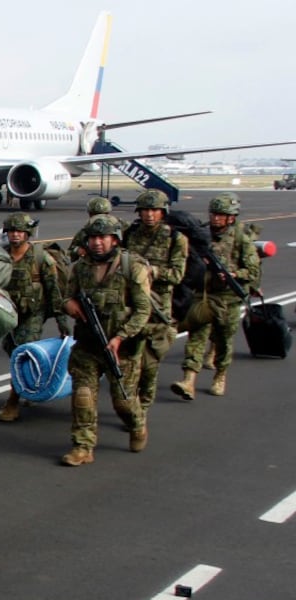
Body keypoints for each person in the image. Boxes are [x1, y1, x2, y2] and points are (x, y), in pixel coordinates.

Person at [60, 214, 153, 466]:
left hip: (121, 349)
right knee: (83, 396)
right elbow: (66, 296)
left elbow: (144, 309)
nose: (97, 243)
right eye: (93, 238)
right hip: (89, 345)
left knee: (123, 401)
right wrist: (69, 304)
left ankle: (137, 424)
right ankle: (83, 446)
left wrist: (121, 337)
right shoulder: (80, 268)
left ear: (115, 239)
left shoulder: (132, 266)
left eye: (103, 237)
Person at [171, 192, 261, 399]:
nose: (216, 218)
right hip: (202, 296)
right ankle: (189, 380)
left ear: (231, 217)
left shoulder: (241, 238)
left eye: (221, 215)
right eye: (214, 214)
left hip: (227, 300)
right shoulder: (200, 235)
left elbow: (252, 271)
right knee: (196, 336)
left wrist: (234, 274)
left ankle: (220, 375)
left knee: (223, 340)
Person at [0, 212, 70, 421]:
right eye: (11, 231)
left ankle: (12, 402)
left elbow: (53, 290)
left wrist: (61, 320)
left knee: (23, 351)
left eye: (19, 231)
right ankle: (30, 385)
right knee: (12, 350)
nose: (15, 235)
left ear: (27, 233)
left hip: (33, 314)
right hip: (9, 314)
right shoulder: (1, 257)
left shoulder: (40, 258)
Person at [121, 189, 187, 413]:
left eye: (154, 210)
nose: (149, 214)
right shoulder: (131, 234)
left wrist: (153, 271)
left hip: (157, 305)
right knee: (130, 358)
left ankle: (145, 401)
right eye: (145, 210)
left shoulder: (175, 239)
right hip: (131, 303)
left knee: (149, 362)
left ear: (163, 212)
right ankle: (131, 402)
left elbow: (177, 274)